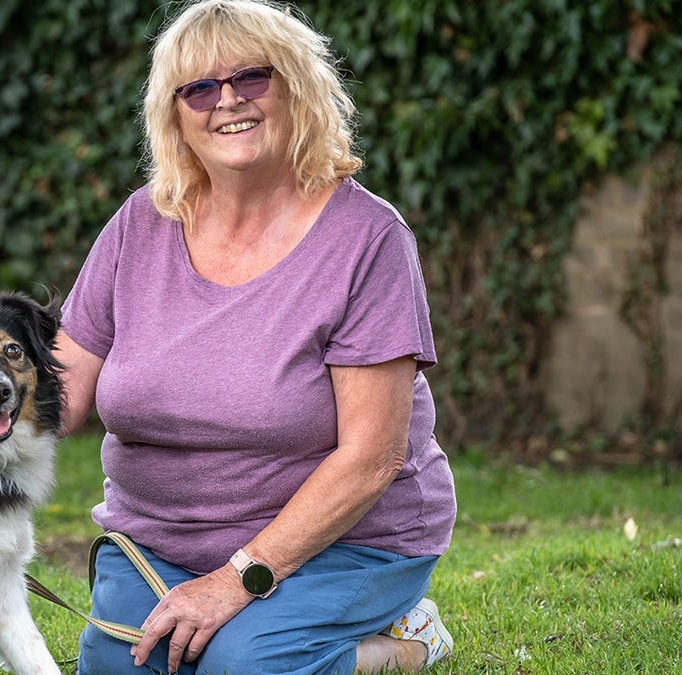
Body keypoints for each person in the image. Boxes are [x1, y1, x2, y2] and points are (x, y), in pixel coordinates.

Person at [55, 1, 457, 672]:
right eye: (201, 88)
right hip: (161, 538)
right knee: (116, 664)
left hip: (345, 540)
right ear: (175, 113)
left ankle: (406, 643)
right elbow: (58, 390)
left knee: (239, 666)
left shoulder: (368, 240)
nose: (229, 100)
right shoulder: (138, 225)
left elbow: (371, 457)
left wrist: (233, 579)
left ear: (297, 87)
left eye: (253, 77)